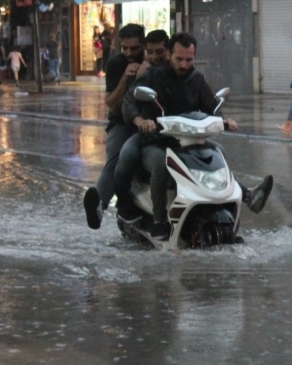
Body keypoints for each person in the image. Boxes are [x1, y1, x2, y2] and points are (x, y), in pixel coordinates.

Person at [116, 32, 273, 239]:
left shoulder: (196, 78)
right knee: (160, 163)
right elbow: (129, 101)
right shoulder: (153, 76)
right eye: (179, 59)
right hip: (157, 141)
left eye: (189, 59)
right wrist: (140, 121)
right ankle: (159, 221)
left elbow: (211, 106)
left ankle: (239, 203)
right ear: (170, 55)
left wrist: (223, 120)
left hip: (189, 142)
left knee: (219, 152)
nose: (184, 64)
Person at [82, 24, 148, 230]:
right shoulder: (116, 64)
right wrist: (125, 79)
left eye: (134, 48)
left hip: (152, 122)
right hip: (122, 123)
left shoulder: (154, 61)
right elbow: (111, 103)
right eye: (125, 48)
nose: (129, 53)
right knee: (117, 159)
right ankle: (99, 206)